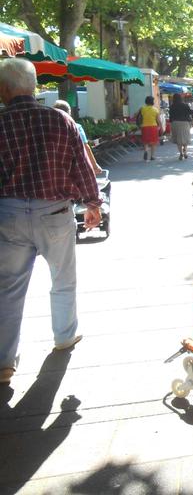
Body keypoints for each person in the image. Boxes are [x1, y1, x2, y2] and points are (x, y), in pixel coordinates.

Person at [0, 59, 101, 385]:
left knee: (9, 290)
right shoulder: (61, 119)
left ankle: (4, 362)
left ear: (5, 90)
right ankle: (64, 335)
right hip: (55, 213)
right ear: (34, 86)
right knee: (62, 279)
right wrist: (93, 202)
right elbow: (81, 166)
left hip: (10, 215)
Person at [52, 100, 102, 175]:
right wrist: (95, 166)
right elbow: (85, 147)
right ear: (69, 112)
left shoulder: (49, 128)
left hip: (54, 167)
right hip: (74, 166)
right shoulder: (76, 127)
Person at [169, 93, 193, 160]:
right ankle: (185, 152)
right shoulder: (185, 105)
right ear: (181, 98)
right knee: (185, 138)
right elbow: (190, 113)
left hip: (175, 123)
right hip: (185, 123)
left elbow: (171, 117)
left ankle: (181, 153)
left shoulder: (172, 106)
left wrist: (171, 124)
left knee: (178, 140)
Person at [137, 95, 161, 161]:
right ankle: (152, 156)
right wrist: (160, 126)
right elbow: (158, 120)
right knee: (153, 142)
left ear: (146, 101)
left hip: (144, 127)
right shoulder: (155, 109)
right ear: (152, 102)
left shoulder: (142, 108)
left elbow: (135, 115)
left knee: (145, 141)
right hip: (153, 127)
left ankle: (145, 151)